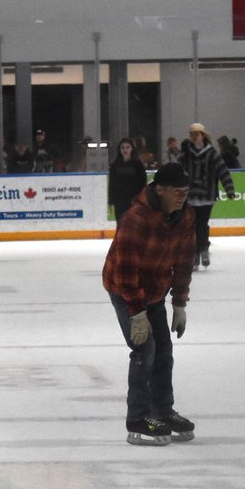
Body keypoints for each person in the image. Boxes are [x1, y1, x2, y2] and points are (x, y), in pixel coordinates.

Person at [101, 162, 196, 446]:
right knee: (145, 348)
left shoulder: (185, 217)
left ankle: (162, 411)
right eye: (176, 191)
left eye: (185, 191)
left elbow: (184, 262)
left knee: (163, 350)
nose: (181, 196)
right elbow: (125, 271)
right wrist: (136, 312)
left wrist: (179, 303)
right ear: (160, 189)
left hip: (155, 290)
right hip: (124, 288)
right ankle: (138, 418)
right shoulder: (136, 219)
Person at [179, 122, 236, 269]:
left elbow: (223, 171)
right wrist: (180, 152)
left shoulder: (212, 154)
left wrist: (229, 189)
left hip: (207, 195)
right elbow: (180, 169)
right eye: (192, 134)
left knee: (202, 224)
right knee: (191, 225)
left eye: (196, 134)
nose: (194, 137)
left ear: (203, 135)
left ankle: (203, 248)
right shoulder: (188, 154)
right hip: (191, 195)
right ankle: (195, 253)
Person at [108, 137, 147, 224]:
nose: (125, 149)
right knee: (121, 224)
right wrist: (111, 200)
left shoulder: (138, 165)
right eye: (123, 147)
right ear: (120, 149)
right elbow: (112, 184)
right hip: (120, 202)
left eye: (127, 147)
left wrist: (141, 200)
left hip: (134, 201)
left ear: (132, 149)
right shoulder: (115, 166)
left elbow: (142, 184)